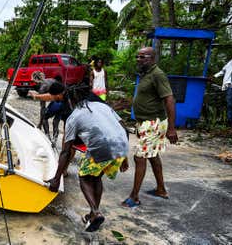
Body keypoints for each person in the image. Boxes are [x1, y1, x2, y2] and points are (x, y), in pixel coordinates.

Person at [46, 83, 129, 232]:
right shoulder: (102, 106)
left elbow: (66, 151)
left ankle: (96, 212)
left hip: (102, 146)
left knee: (84, 176)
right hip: (122, 144)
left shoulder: (74, 116)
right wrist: (124, 156)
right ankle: (92, 214)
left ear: (70, 100)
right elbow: (122, 126)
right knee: (96, 177)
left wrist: (57, 178)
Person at [122, 47, 178, 208]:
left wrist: (172, 129)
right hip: (145, 122)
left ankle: (134, 197)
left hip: (153, 122)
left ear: (152, 58)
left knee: (140, 157)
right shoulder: (146, 74)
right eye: (137, 56)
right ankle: (161, 189)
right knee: (152, 155)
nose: (138, 59)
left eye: (142, 57)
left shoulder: (158, 75)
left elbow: (169, 100)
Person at [29, 71, 63, 142]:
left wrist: (40, 123)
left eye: (34, 81)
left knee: (44, 117)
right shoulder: (50, 79)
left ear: (36, 81)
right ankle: (55, 138)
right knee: (55, 121)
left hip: (57, 101)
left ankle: (48, 137)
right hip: (63, 100)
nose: (34, 83)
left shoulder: (42, 88)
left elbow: (42, 107)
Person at [214, 56, 232, 127]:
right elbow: (223, 71)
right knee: (230, 104)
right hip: (230, 87)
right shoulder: (231, 62)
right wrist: (215, 76)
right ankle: (230, 122)